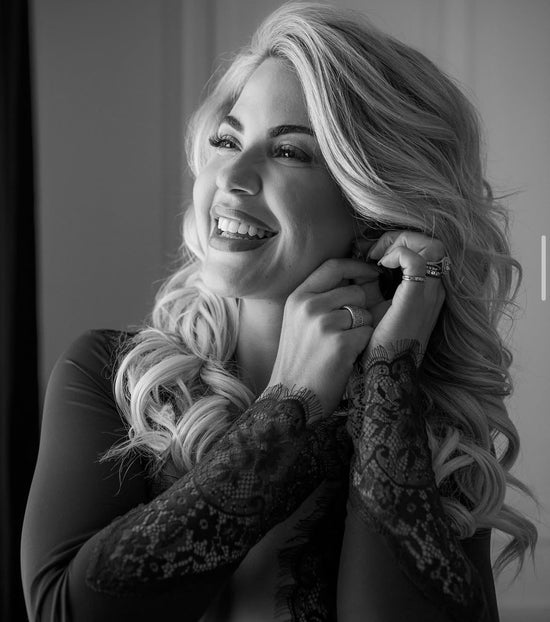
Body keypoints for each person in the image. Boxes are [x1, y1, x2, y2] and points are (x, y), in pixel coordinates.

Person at [21, 2, 537, 621]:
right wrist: (290, 404)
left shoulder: (431, 427)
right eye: (226, 140)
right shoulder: (116, 377)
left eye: (290, 152)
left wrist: (390, 373)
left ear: (371, 207)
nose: (232, 176)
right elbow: (63, 612)